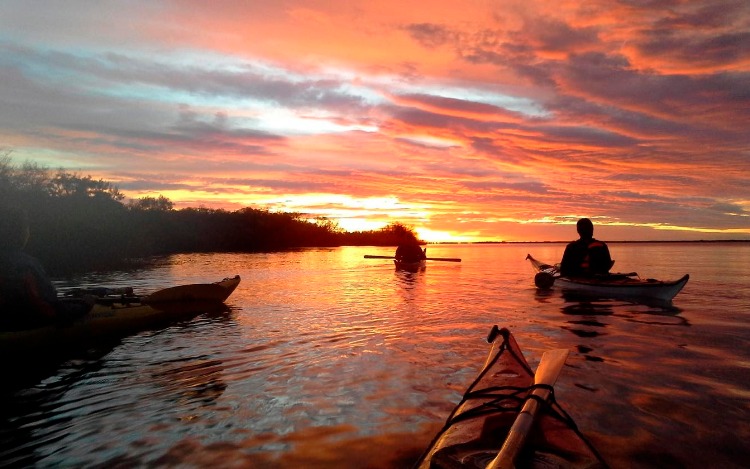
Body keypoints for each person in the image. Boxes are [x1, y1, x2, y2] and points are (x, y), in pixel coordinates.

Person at [0, 207, 91, 330]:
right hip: (26, 323)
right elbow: (50, 308)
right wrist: (85, 305)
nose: (28, 233)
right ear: (20, 233)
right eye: (27, 228)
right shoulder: (27, 264)